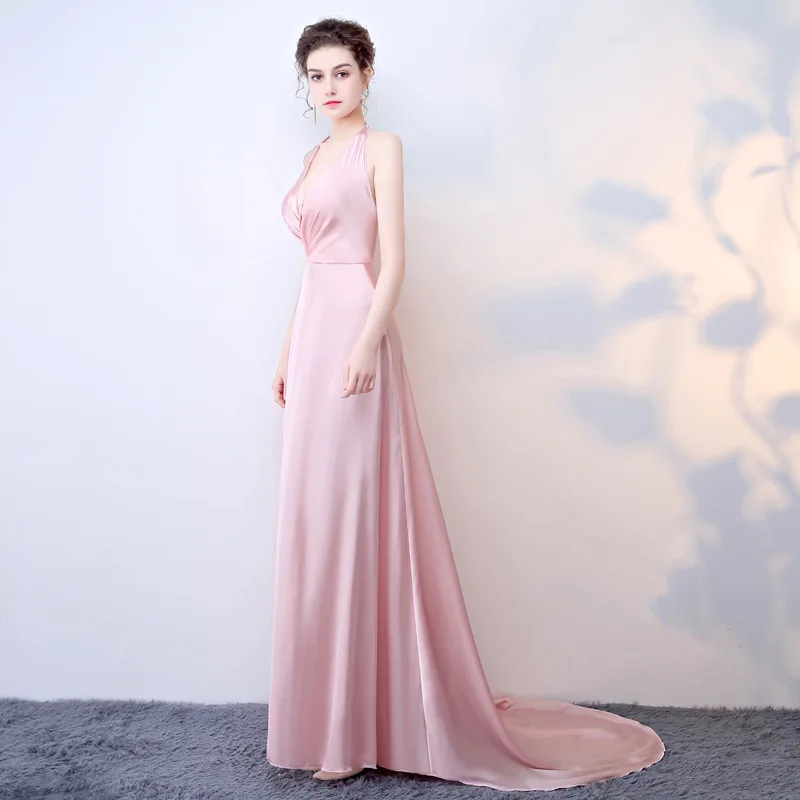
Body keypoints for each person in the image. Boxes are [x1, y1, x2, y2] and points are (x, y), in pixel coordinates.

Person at [266, 16, 665, 791]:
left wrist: (366, 345)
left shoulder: (381, 148)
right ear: (305, 86)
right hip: (313, 341)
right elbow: (312, 271)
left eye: (342, 72)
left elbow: (392, 263)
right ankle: (324, 719)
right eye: (316, 76)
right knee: (316, 521)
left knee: (354, 520)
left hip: (355, 338)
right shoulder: (311, 159)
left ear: (367, 74)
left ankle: (355, 732)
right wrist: (288, 354)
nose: (329, 87)